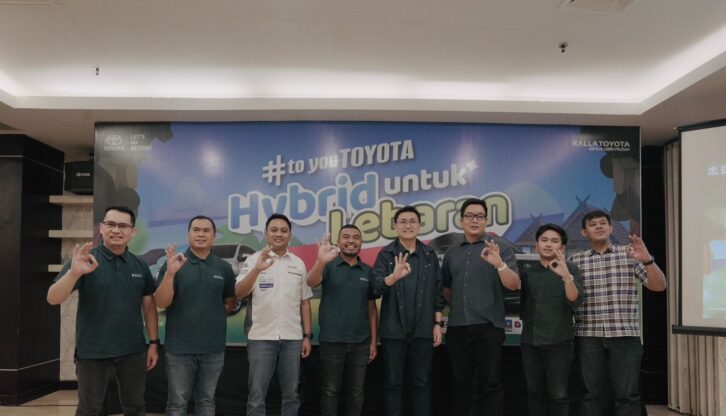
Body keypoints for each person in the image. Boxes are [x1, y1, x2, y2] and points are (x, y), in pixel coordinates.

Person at [47, 206, 159, 416]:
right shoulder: (85, 260)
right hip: (93, 352)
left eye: (123, 226)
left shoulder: (140, 265)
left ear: (132, 231)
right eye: (111, 224)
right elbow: (53, 298)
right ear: (101, 227)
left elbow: (149, 306)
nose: (116, 230)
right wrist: (73, 274)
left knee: (136, 407)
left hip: (132, 351)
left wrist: (153, 342)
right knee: (89, 409)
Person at [570, 210, 667, 415]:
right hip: (588, 337)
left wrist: (647, 260)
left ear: (611, 228)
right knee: (589, 395)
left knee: (627, 396)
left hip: (625, 336)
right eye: (593, 224)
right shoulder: (575, 260)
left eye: (603, 223)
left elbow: (659, 286)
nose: (599, 226)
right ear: (584, 232)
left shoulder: (629, 254)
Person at [440, 198, 520, 416]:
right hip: (457, 328)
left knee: (491, 384)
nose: (474, 220)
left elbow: (514, 284)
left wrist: (499, 264)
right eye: (469, 216)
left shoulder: (500, 247)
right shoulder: (452, 252)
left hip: (489, 327)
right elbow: (445, 287)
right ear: (461, 220)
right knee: (461, 383)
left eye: (480, 216)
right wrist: (461, 303)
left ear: (486, 220)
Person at [153, 215, 236, 416]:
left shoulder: (223, 267)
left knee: (207, 401)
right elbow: (161, 302)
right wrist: (170, 274)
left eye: (206, 230)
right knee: (177, 404)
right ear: (188, 234)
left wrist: (211, 315)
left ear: (214, 236)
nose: (201, 234)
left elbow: (230, 303)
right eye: (196, 230)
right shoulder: (175, 263)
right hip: (179, 349)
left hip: (213, 348)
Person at [234, 213, 313, 416]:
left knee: (291, 394)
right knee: (256, 396)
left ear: (290, 235)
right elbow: (239, 293)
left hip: (292, 339)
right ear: (266, 233)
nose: (279, 234)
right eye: (274, 230)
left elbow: (305, 302)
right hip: (261, 338)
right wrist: (256, 270)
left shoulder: (298, 263)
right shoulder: (253, 260)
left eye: (284, 230)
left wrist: (307, 336)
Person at [373, 205, 444, 416]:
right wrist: (393, 277)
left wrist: (437, 324)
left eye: (412, 221)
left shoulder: (429, 255)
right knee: (393, 383)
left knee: (422, 382)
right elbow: (375, 288)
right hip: (393, 331)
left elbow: (437, 292)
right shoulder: (386, 254)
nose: (408, 225)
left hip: (423, 330)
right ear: (395, 226)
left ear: (419, 225)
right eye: (403, 221)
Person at [307, 225, 379, 416]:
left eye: (356, 237)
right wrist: (320, 261)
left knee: (357, 391)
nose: (351, 241)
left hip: (361, 343)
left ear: (361, 242)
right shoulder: (328, 265)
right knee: (330, 390)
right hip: (332, 341)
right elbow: (311, 282)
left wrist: (373, 341)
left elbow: (372, 308)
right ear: (338, 242)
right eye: (346, 237)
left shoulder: (368, 271)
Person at [519, 223, 584, 416]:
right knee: (533, 391)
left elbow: (575, 300)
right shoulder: (528, 272)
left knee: (559, 394)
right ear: (536, 245)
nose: (548, 244)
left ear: (562, 247)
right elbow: (524, 305)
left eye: (554, 241)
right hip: (530, 342)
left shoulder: (571, 269)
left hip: (559, 342)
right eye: (544, 240)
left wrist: (566, 277)